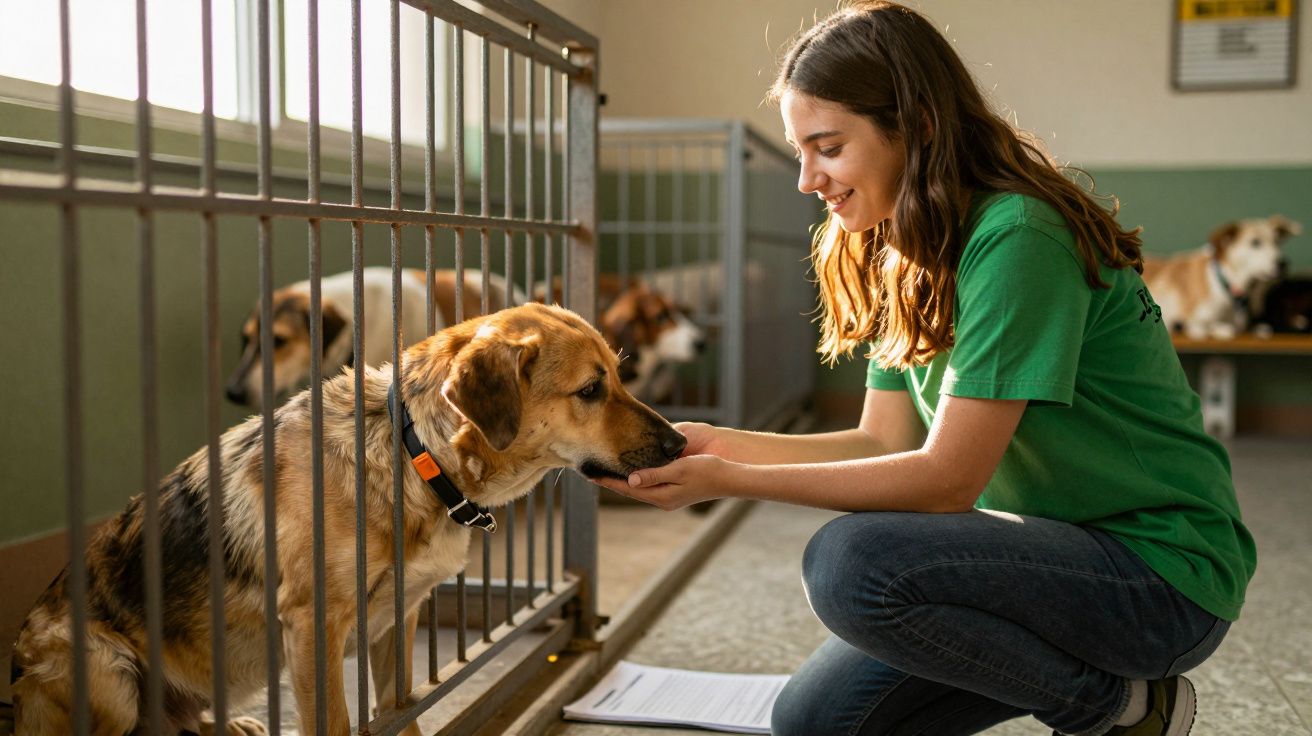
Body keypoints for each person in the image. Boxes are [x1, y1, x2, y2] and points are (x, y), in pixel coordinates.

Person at [589, 2, 1257, 735]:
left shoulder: (1018, 236)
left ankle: (1122, 710)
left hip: (1158, 579)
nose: (807, 179)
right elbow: (881, 442)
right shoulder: (894, 247)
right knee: (814, 724)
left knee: (852, 563)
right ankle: (1106, 695)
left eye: (828, 148)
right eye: (801, 151)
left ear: (920, 126)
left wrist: (735, 482)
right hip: (1054, 560)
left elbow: (946, 480)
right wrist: (718, 444)